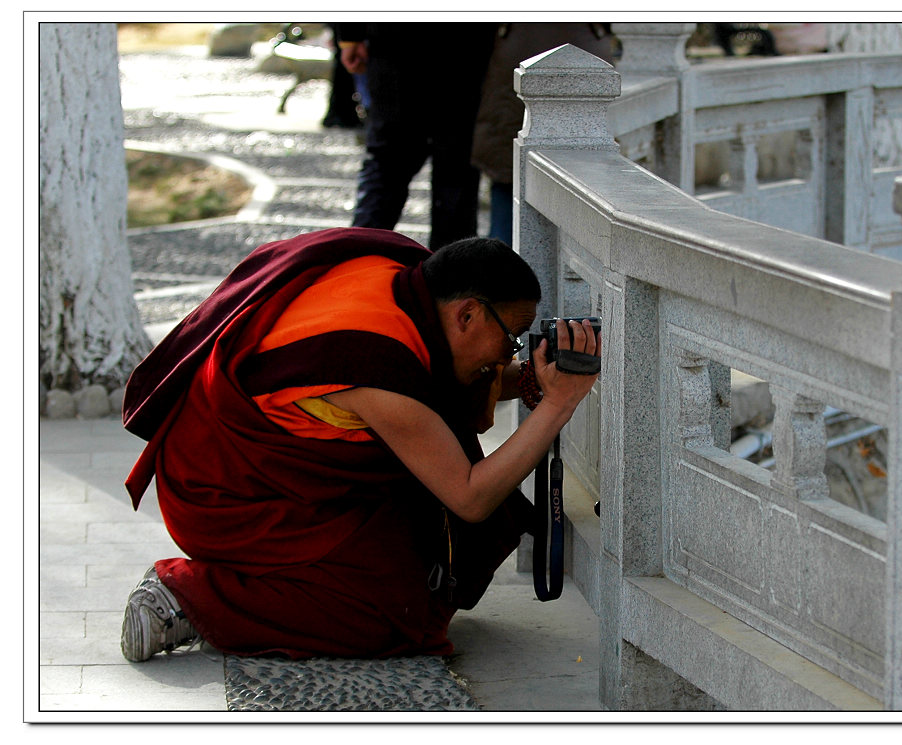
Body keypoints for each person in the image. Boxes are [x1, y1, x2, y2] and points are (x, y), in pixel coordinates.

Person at [118, 226, 600, 662]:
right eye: (510, 340)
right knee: (387, 616)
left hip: (268, 464)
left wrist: (533, 381)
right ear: (468, 314)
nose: (505, 357)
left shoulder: (402, 281)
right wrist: (559, 404)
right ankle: (186, 596)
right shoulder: (376, 365)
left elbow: (438, 376)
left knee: (413, 558)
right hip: (228, 495)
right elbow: (470, 495)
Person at [334, 23, 496, 249]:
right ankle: (451, 275)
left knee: (387, 164)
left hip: (396, 38)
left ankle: (357, 259)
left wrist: (350, 37)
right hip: (464, 43)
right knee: (455, 168)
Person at [471, 23, 615, 245]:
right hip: (584, 50)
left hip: (518, 50)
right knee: (581, 180)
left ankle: (499, 266)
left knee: (508, 172)